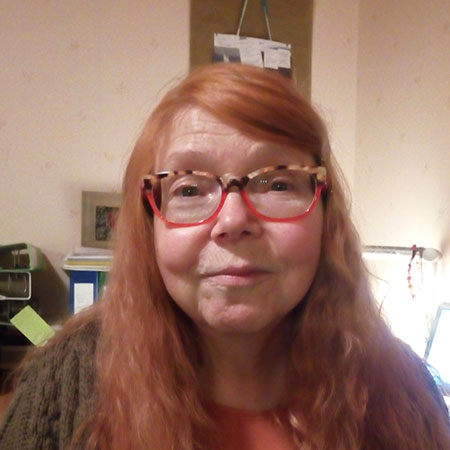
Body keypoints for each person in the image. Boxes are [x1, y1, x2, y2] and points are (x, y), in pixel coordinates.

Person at [1, 63, 449, 450]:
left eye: (278, 183)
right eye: (189, 189)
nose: (233, 221)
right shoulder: (61, 383)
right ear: (149, 223)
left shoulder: (405, 396)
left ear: (325, 213)